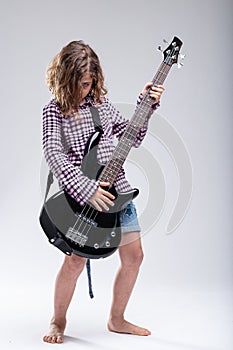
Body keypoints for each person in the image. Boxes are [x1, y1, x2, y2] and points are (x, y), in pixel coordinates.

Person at [42, 40, 164, 344]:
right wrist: (87, 189)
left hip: (118, 193)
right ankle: (57, 321)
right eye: (81, 84)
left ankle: (116, 319)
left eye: (90, 83)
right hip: (79, 200)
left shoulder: (102, 106)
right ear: (64, 78)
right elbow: (54, 155)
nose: (86, 89)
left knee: (135, 256)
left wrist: (145, 106)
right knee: (75, 262)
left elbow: (132, 136)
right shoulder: (52, 112)